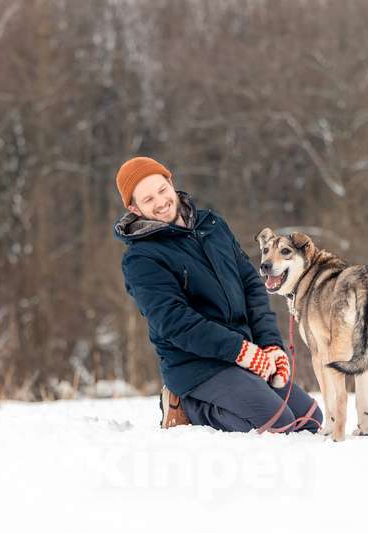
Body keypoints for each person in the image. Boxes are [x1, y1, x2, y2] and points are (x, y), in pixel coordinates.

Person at [112, 156, 322, 433]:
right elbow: (175, 322)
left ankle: (244, 386)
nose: (161, 202)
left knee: (310, 419)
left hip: (246, 356)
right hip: (197, 366)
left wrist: (270, 345)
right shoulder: (142, 258)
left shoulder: (212, 226)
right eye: (148, 199)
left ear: (171, 183)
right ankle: (187, 406)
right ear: (134, 208)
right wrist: (240, 351)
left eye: (162, 190)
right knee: (277, 426)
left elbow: (251, 285)